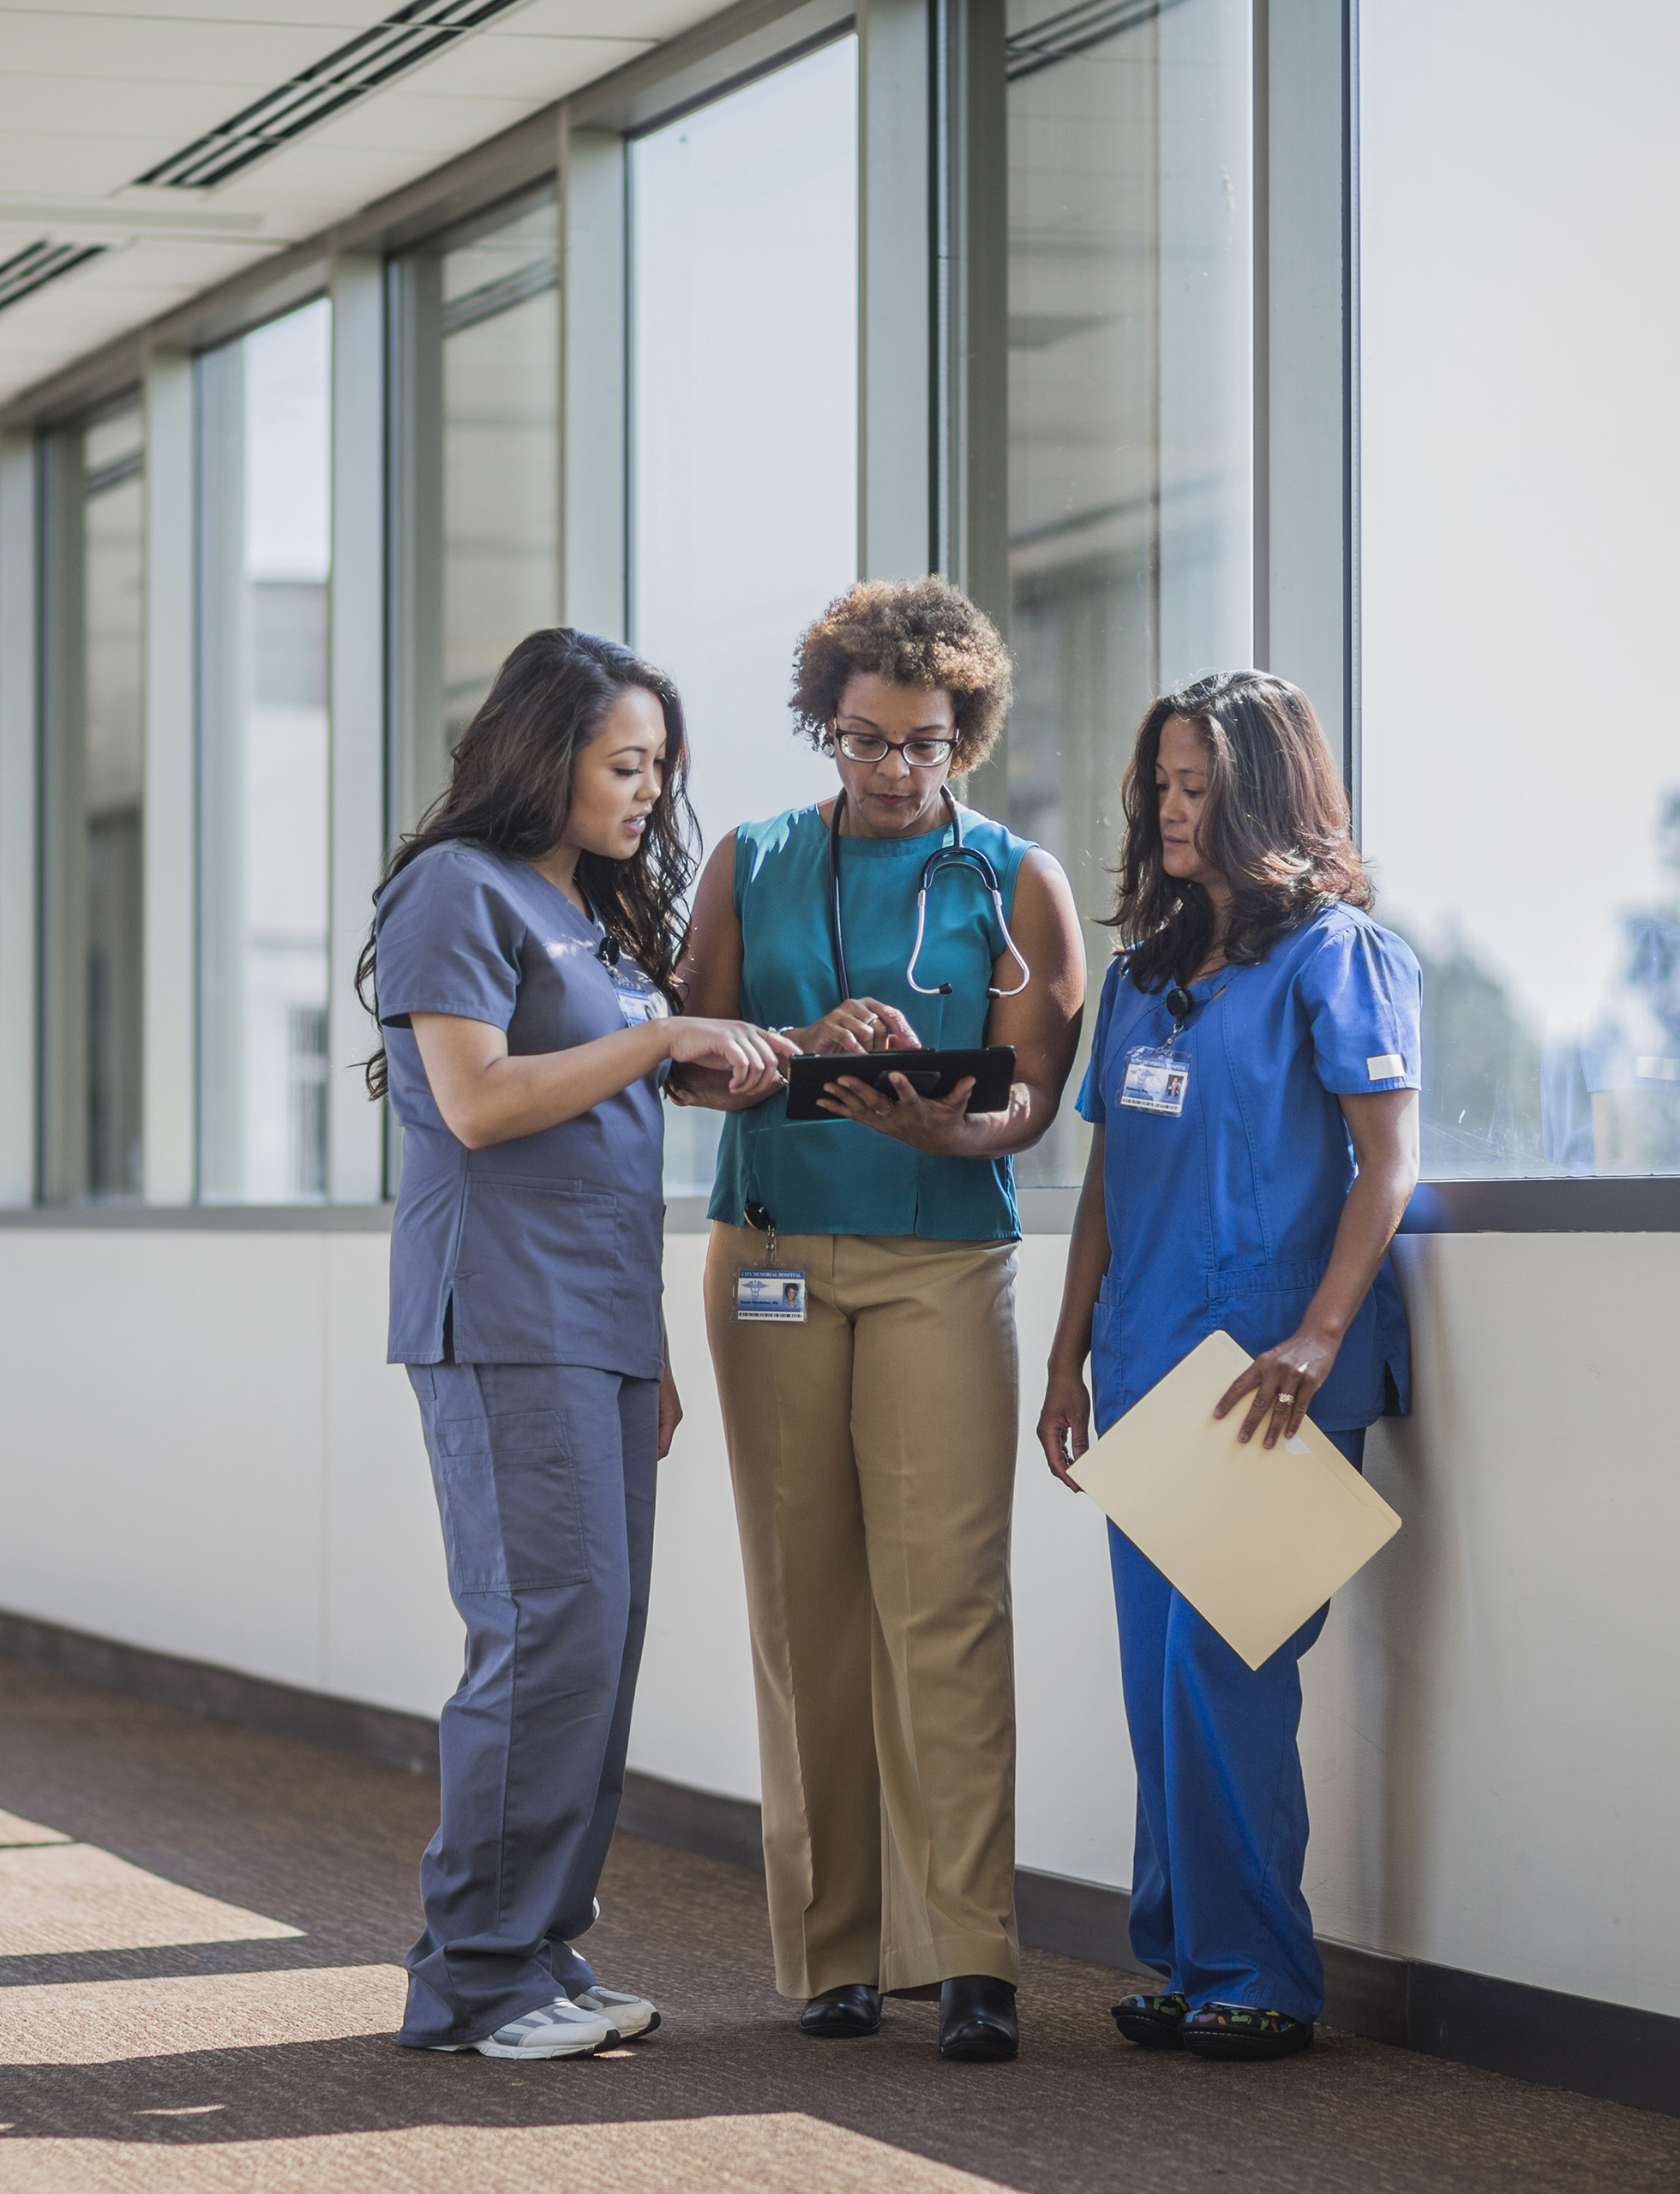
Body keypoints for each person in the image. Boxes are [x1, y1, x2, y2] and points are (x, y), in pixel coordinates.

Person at [363, 627, 795, 2060]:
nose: (646, 791)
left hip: (598, 1328)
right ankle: (476, 1980)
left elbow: (609, 1153)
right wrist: (666, 1035)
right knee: (541, 1640)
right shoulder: (455, 891)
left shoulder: (596, 925)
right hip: (499, 1317)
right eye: (624, 763)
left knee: (598, 1647)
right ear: (544, 755)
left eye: (660, 767)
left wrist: (651, 1344)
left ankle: (539, 1955)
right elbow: (481, 1105)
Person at [675, 578, 1087, 2062]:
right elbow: (686, 1060)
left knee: (949, 1606)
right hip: (772, 1254)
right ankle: (832, 1951)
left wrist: (951, 1125)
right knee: (805, 1609)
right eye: (861, 742)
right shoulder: (752, 861)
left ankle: (971, 1954)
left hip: (942, 1255)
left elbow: (1033, 1093)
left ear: (963, 735)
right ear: (823, 729)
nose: (892, 770)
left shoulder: (1016, 883)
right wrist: (799, 1048)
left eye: (921, 744)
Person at [1035, 670, 1421, 2065]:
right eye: (1162, 784)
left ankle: (1260, 1972)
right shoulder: (1139, 976)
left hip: (1272, 1382)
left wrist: (1319, 1333)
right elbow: (1105, 1182)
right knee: (1155, 1677)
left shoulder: (1339, 957)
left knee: (1224, 1667)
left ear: (1265, 796)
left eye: (1201, 785)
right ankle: (1187, 1961)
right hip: (1144, 1365)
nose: (1173, 808)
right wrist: (1070, 1348)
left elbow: (1388, 1165)